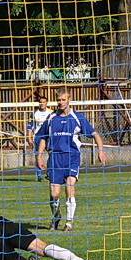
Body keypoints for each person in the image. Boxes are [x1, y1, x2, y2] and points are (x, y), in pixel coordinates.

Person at [35, 89, 107, 231]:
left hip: (72, 157)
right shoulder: (51, 118)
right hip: (55, 158)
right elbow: (43, 137)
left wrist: (101, 150)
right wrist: (39, 155)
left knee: (69, 187)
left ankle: (69, 223)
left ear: (69, 100)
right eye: (59, 100)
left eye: (63, 99)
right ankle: (56, 216)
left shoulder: (77, 117)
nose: (61, 102)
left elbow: (95, 134)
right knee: (54, 194)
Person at [26, 96, 52, 181]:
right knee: (38, 155)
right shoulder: (34, 113)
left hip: (48, 136)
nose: (42, 104)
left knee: (52, 154)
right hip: (38, 136)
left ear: (46, 103)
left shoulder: (51, 113)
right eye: (40, 102)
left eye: (44, 102)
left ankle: (49, 173)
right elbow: (30, 126)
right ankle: (39, 176)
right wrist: (29, 138)